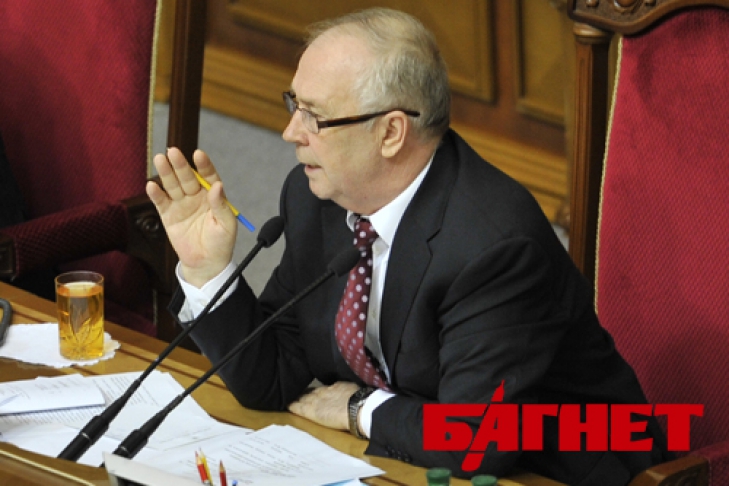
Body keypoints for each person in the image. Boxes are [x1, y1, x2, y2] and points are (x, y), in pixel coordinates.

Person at [146, 8, 669, 484]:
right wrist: (208, 269)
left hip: (560, 471)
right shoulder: (316, 199)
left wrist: (359, 408)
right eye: (294, 105)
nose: (289, 132)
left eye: (314, 116)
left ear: (391, 133)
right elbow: (273, 378)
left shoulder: (493, 245)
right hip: (411, 459)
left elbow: (476, 440)